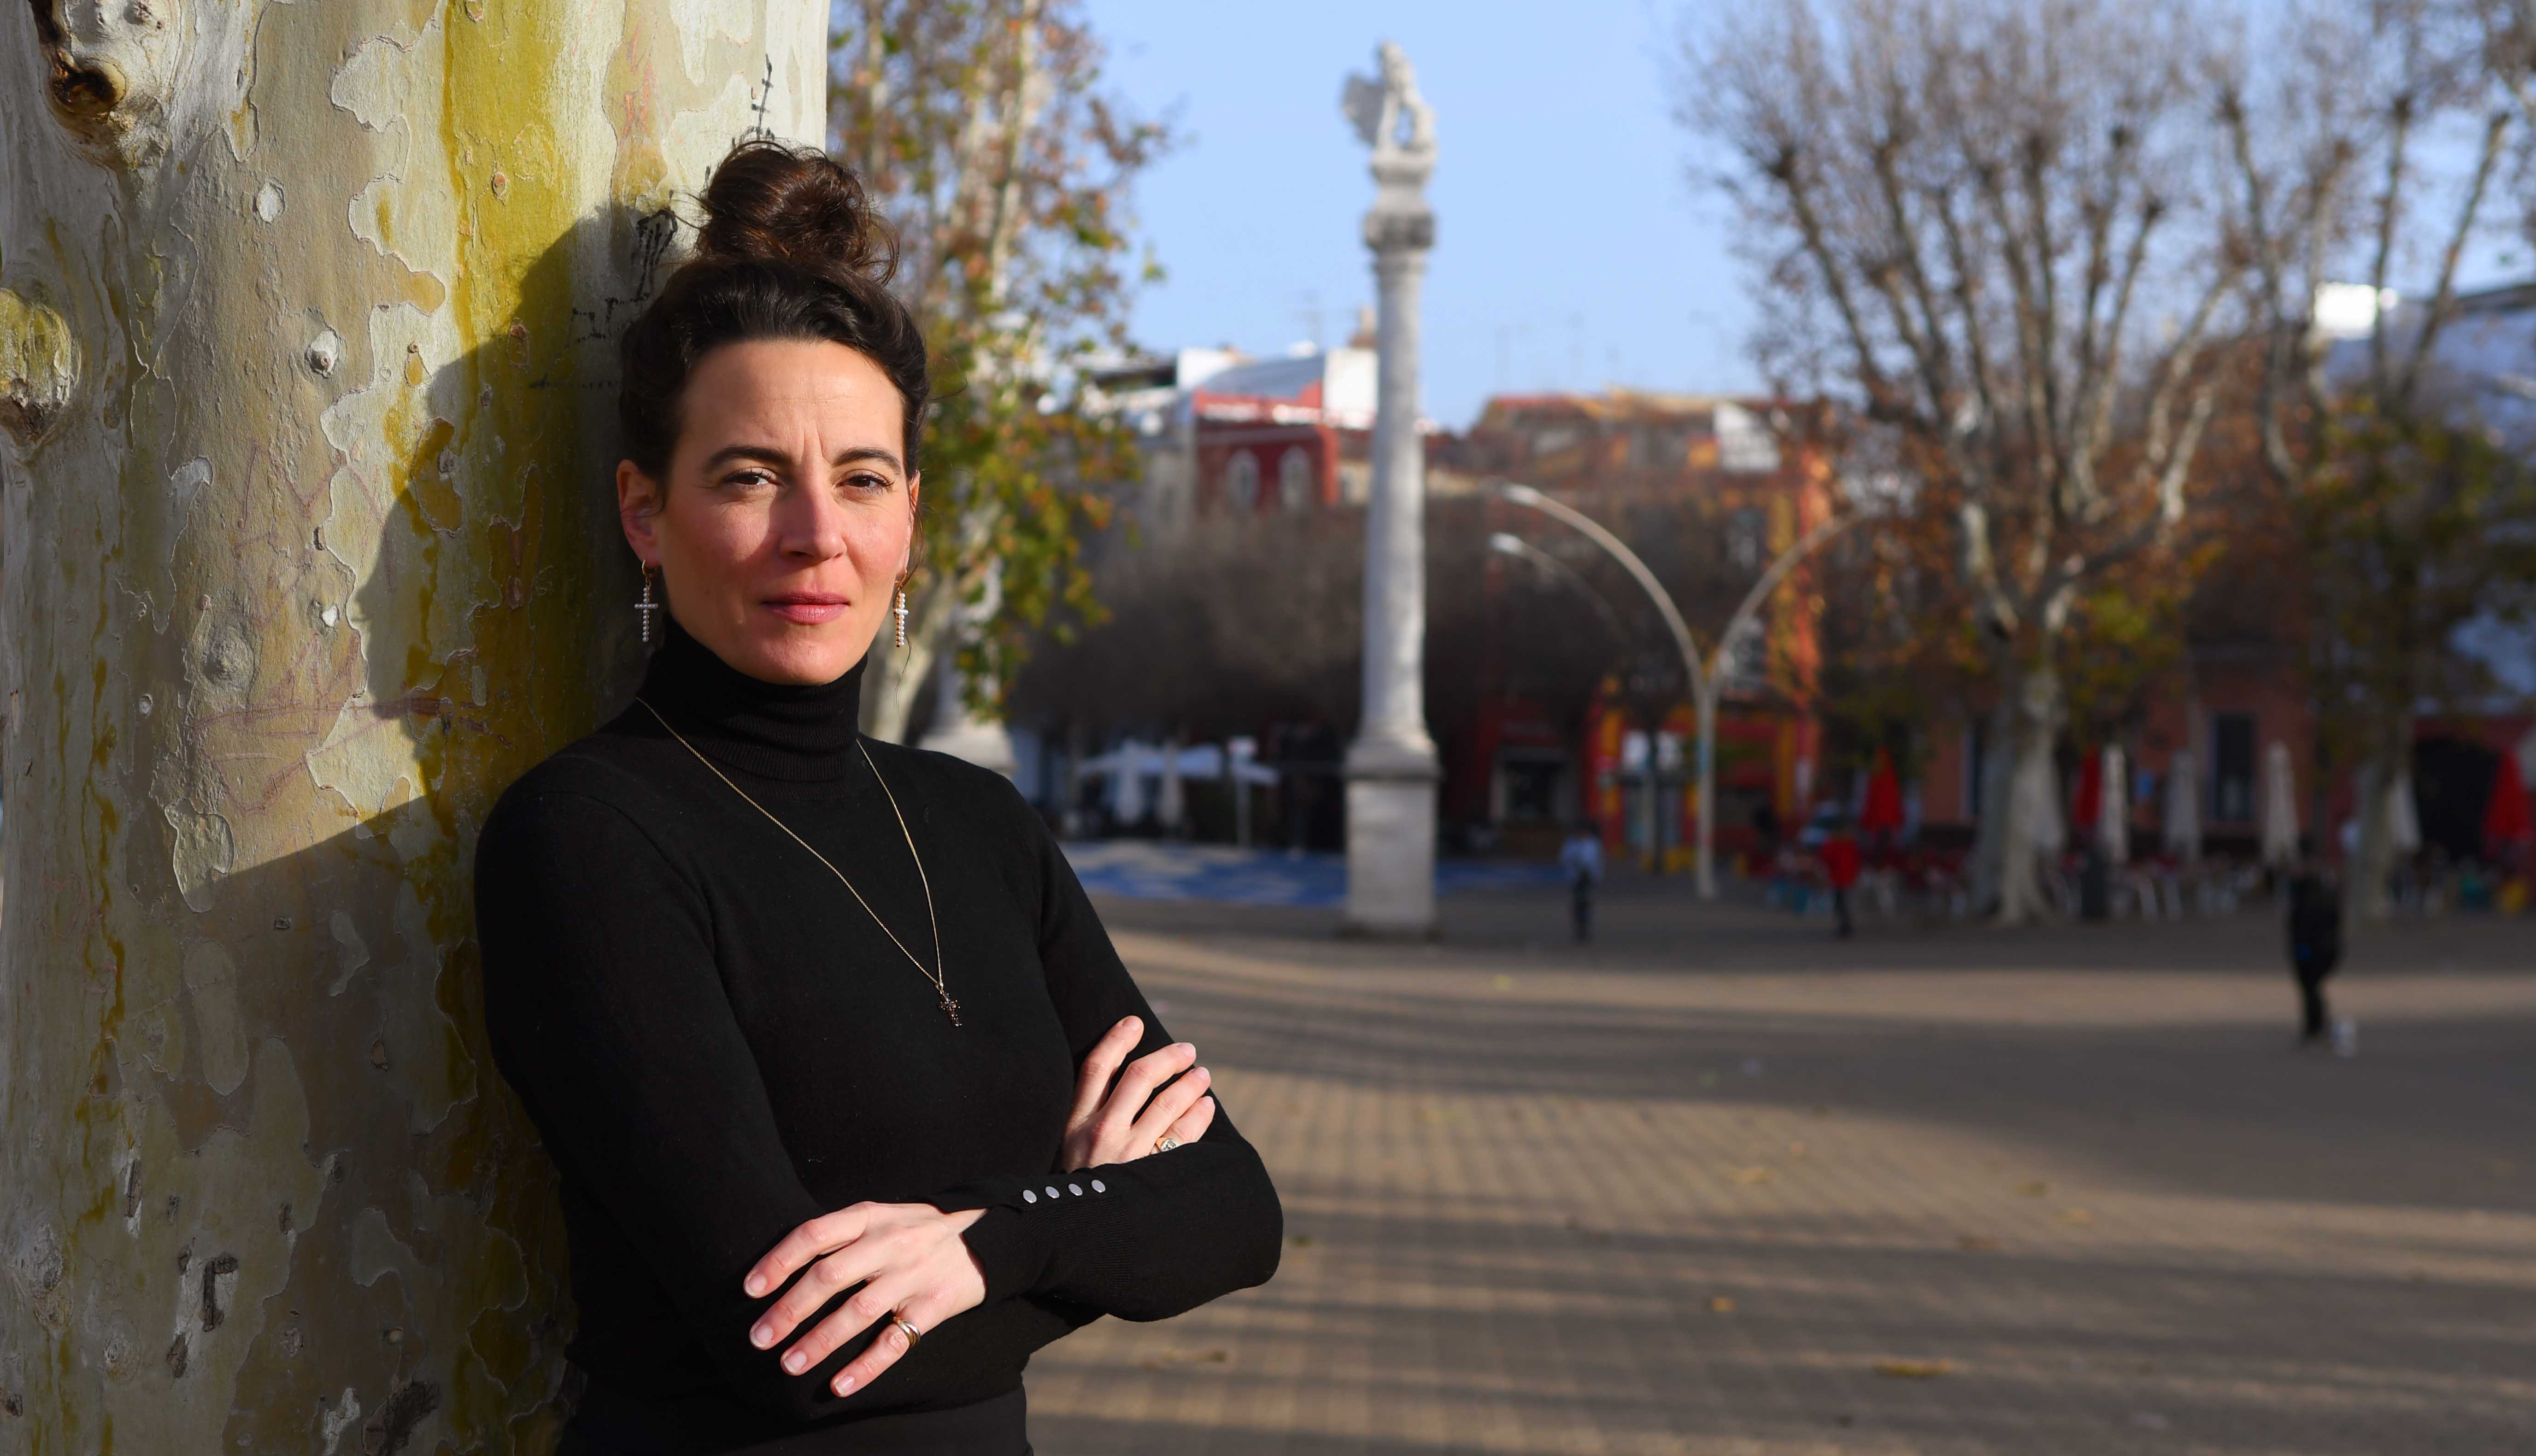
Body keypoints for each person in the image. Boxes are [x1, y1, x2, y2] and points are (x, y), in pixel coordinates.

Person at [473, 141, 1280, 1456]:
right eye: (747, 477)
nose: (814, 535)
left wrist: (992, 1242)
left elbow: (1237, 1213)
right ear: (642, 509)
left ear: (910, 513)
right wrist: (1087, 1215)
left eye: (859, 478)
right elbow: (794, 1346)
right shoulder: (587, 837)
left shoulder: (982, 828)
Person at [2285, 842, 2345, 1050]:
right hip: (2312, 946)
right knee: (2311, 988)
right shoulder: (2307, 887)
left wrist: (2305, 948)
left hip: (2315, 947)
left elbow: (2319, 920)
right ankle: (2316, 1028)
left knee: (2311, 987)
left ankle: (2316, 1029)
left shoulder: (2316, 889)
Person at [1559, 821, 1604, 943]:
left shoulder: (1594, 844)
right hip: (1576, 878)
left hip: (1589, 878)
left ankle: (1586, 929)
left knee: (1587, 903)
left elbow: (1598, 861)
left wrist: (1596, 875)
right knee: (1578, 904)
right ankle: (1579, 929)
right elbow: (1565, 859)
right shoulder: (1571, 844)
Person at [1820, 817, 1862, 939]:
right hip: (1846, 878)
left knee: (1842, 903)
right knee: (1844, 903)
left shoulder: (1834, 844)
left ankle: (1846, 926)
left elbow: (1826, 859)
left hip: (1841, 878)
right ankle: (1846, 926)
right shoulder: (1851, 845)